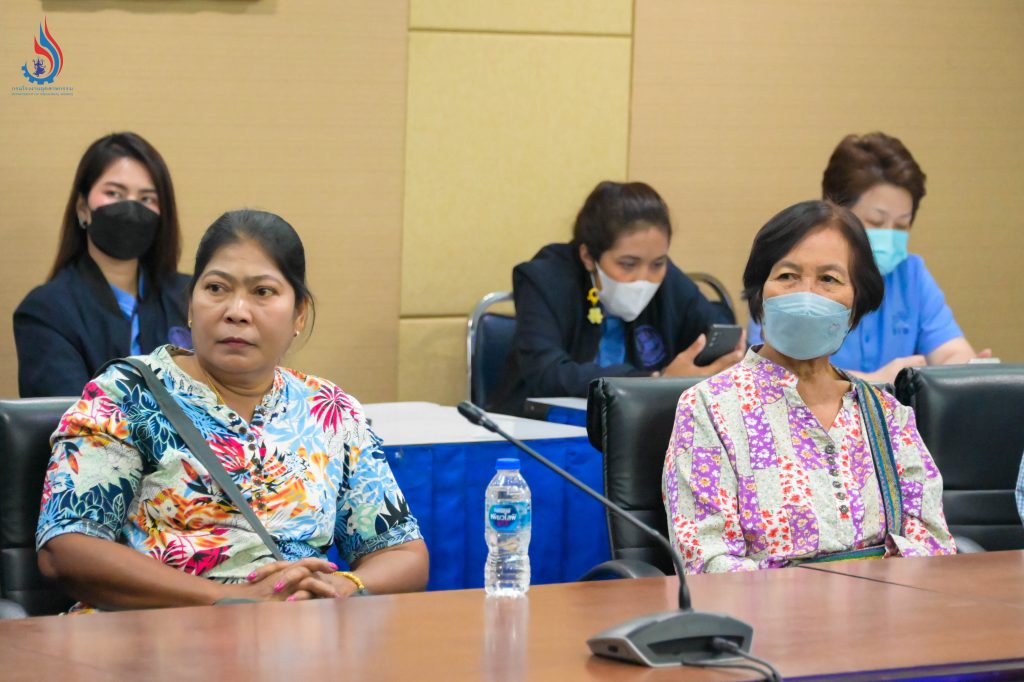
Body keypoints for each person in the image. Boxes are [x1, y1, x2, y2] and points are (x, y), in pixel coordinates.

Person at [36, 209, 428, 610]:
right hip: (150, 635)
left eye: (263, 292)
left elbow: (403, 553)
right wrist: (231, 599)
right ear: (191, 305)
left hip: (294, 638)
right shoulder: (127, 393)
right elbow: (65, 547)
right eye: (216, 288)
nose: (236, 311)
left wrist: (343, 586)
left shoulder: (330, 410)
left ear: (299, 314)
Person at [663, 199, 956, 574]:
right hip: (767, 610)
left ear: (857, 303)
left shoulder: (887, 414)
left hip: (887, 605)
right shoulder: (710, 407)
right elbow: (706, 561)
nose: (806, 295)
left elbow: (933, 545)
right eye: (788, 276)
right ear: (760, 292)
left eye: (829, 279)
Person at [748, 132, 989, 383]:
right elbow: (772, 372)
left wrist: (965, 372)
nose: (889, 236)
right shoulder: (792, 275)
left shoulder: (911, 274)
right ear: (836, 213)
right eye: (875, 222)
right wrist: (875, 382)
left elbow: (950, 350)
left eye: (901, 225)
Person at [491, 181, 742, 415]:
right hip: (541, 425)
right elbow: (547, 373)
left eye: (657, 263)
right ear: (588, 257)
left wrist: (728, 356)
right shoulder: (546, 279)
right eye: (628, 264)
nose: (644, 278)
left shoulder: (668, 278)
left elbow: (714, 325)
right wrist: (656, 381)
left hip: (636, 426)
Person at [14, 132, 191, 399]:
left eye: (146, 199)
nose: (130, 208)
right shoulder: (46, 311)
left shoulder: (190, 298)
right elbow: (71, 416)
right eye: (114, 193)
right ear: (83, 208)